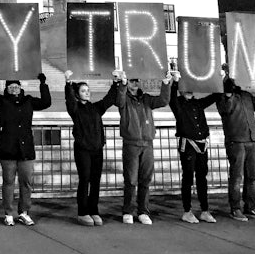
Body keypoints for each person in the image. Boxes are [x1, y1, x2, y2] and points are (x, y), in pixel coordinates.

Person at [0, 72, 51, 226]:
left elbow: (46, 102)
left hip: (25, 148)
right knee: (8, 181)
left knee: (26, 182)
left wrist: (43, 84)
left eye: (16, 86)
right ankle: (8, 213)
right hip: (7, 147)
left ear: (21, 87)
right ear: (6, 88)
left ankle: (24, 212)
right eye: (11, 86)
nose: (14, 89)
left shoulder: (28, 100)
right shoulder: (1, 101)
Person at [216, 68, 255, 222]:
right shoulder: (223, 97)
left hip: (251, 140)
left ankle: (250, 207)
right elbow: (226, 109)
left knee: (251, 176)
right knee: (236, 177)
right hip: (236, 141)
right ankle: (235, 208)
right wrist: (228, 92)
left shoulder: (246, 96)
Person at [115, 69, 171, 225]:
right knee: (131, 180)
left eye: (136, 80)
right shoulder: (123, 99)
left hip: (147, 143)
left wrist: (166, 83)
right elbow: (119, 100)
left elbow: (163, 101)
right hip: (131, 143)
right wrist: (122, 84)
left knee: (145, 179)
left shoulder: (146, 98)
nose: (135, 83)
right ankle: (128, 211)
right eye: (132, 80)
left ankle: (143, 211)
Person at [64, 70, 119, 226]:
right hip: (83, 149)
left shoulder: (96, 108)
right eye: (83, 91)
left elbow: (109, 99)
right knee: (85, 179)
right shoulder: (75, 109)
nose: (87, 93)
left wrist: (115, 83)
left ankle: (94, 210)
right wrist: (68, 83)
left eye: (88, 90)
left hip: (97, 149)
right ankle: (82, 212)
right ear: (77, 94)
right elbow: (69, 100)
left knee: (95, 181)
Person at [169, 73, 218, 224]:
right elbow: (171, 97)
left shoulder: (198, 103)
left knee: (202, 177)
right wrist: (175, 83)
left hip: (202, 144)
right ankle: (187, 211)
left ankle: (204, 210)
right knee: (188, 177)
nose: (189, 89)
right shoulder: (177, 103)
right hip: (188, 145)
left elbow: (215, 95)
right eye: (185, 87)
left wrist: (221, 79)